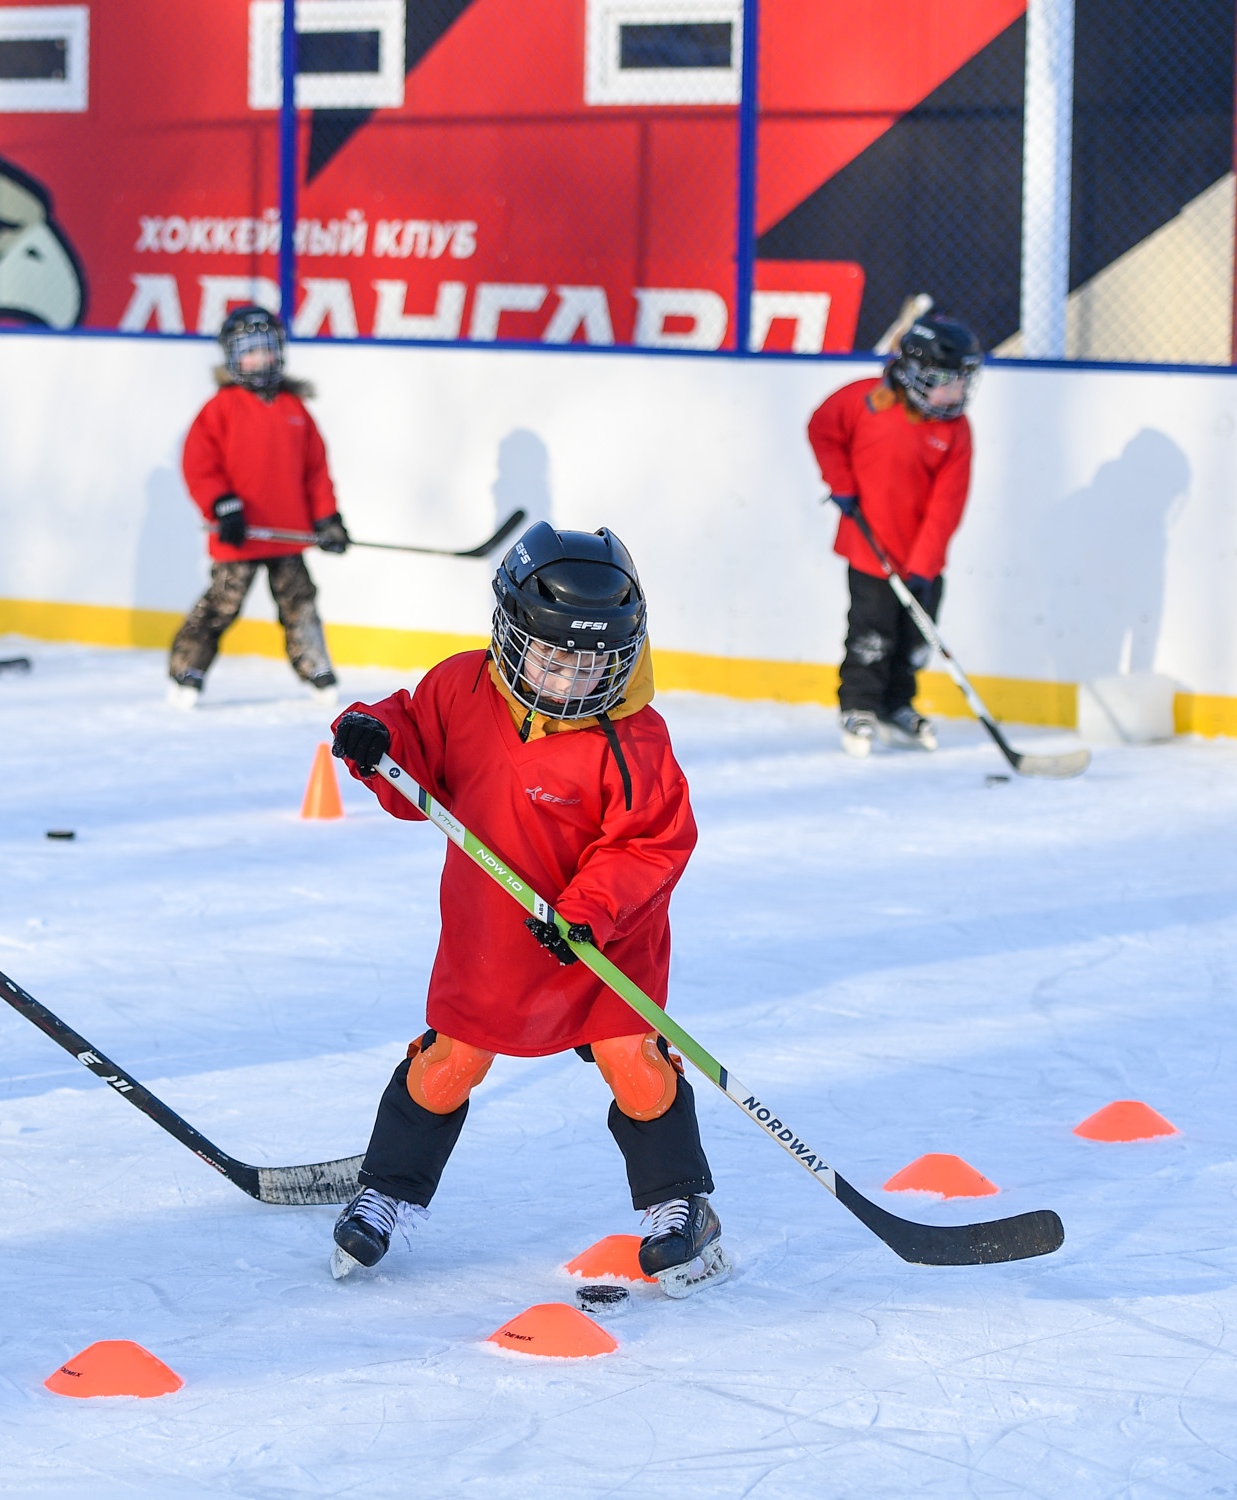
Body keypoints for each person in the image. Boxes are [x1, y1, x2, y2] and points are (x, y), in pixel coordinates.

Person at [323, 523, 728, 1297]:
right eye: (553, 656)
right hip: (494, 931)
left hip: (604, 937)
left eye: (594, 662)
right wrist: (375, 736)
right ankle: (386, 1193)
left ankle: (683, 1207)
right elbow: (415, 742)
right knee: (451, 1064)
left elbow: (651, 843)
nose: (573, 678)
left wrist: (589, 910)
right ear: (511, 636)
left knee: (632, 1063)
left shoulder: (633, 738)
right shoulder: (464, 688)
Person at [807, 314, 983, 758]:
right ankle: (860, 705)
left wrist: (922, 567)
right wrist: (841, 483)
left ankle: (897, 705)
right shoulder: (865, 401)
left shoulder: (955, 431)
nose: (955, 392)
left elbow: (947, 507)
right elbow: (822, 429)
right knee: (871, 633)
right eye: (945, 381)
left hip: (922, 559)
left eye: (961, 382)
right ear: (912, 372)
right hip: (870, 550)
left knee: (915, 640)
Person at [167, 305, 349, 708]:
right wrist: (222, 506)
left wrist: (327, 518)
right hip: (241, 533)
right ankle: (187, 669)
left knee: (300, 603)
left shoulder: (295, 411)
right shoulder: (221, 408)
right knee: (222, 604)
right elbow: (199, 465)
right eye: (249, 351)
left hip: (287, 533)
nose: (260, 359)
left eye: (266, 350)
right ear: (232, 357)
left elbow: (315, 471)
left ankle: (315, 668)